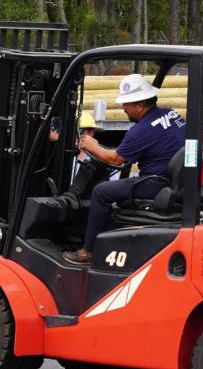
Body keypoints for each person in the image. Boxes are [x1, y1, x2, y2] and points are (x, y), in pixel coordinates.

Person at [63, 73, 185, 266]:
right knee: (117, 191)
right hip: (174, 181)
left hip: (156, 183)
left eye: (126, 103)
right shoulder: (171, 114)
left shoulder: (140, 131)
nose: (123, 108)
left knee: (101, 192)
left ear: (139, 104)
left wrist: (93, 146)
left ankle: (88, 251)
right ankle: (109, 237)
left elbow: (116, 159)